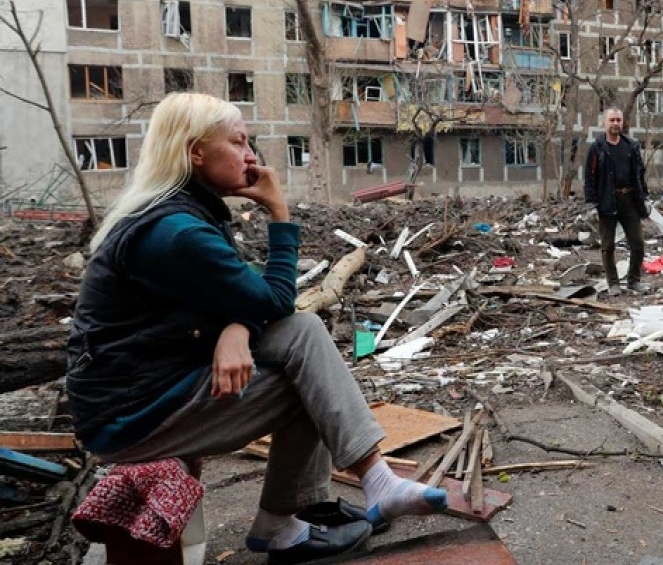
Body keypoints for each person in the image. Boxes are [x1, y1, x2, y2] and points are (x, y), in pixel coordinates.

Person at [66, 93, 447, 564]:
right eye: (238, 142)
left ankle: (349, 494)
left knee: (303, 334)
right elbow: (272, 299)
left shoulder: (178, 212)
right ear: (195, 152)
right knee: (307, 377)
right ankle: (297, 519)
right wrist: (280, 214)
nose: (251, 156)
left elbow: (243, 298)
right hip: (131, 418)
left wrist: (237, 329)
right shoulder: (178, 232)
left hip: (151, 388)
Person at [584, 107, 651, 296]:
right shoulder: (597, 148)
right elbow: (589, 177)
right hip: (607, 201)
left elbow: (640, 173)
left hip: (630, 200)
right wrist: (591, 203)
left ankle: (634, 280)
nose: (615, 124)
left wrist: (644, 197)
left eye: (618, 120)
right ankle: (613, 283)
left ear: (622, 123)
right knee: (608, 245)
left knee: (637, 243)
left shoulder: (631, 146)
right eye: (612, 120)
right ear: (604, 122)